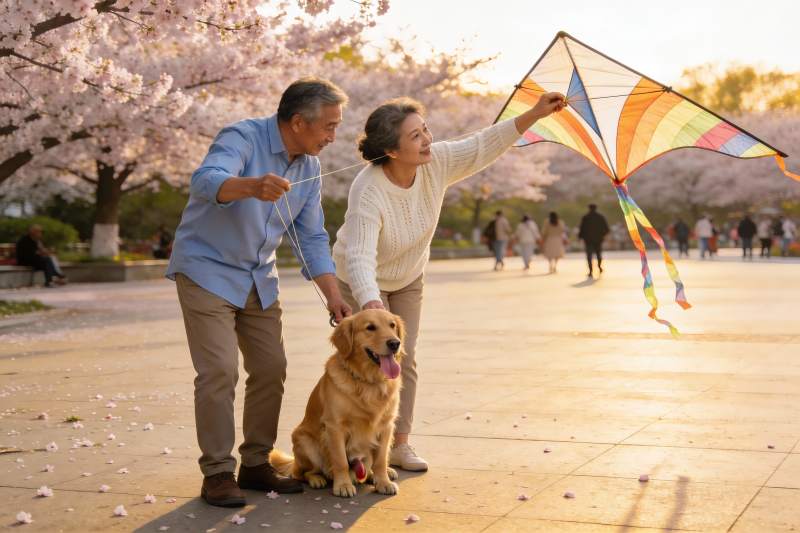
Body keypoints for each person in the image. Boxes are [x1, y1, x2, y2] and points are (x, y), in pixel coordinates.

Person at [333, 92, 566, 472]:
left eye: (425, 130)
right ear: (391, 151)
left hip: (408, 276)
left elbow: (483, 144)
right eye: (415, 136)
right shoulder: (369, 189)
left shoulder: (436, 162)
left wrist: (535, 113)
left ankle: (398, 444)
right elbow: (360, 255)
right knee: (363, 361)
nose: (427, 139)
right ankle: (354, 445)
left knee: (402, 357)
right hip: (362, 280)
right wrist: (371, 303)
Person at [166, 78, 352, 508]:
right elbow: (205, 180)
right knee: (219, 371)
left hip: (258, 278)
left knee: (271, 367)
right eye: (329, 126)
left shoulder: (309, 167)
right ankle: (217, 472)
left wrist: (333, 295)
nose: (332, 136)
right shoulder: (243, 136)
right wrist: (251, 186)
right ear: (299, 122)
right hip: (207, 269)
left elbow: (311, 237)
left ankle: (255, 463)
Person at [578, 204, 609, 277]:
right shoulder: (600, 217)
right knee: (598, 254)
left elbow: (582, 229)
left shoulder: (586, 217)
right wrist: (601, 235)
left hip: (588, 240)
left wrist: (581, 237)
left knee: (589, 256)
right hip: (598, 239)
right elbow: (606, 229)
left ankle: (590, 270)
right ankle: (599, 267)